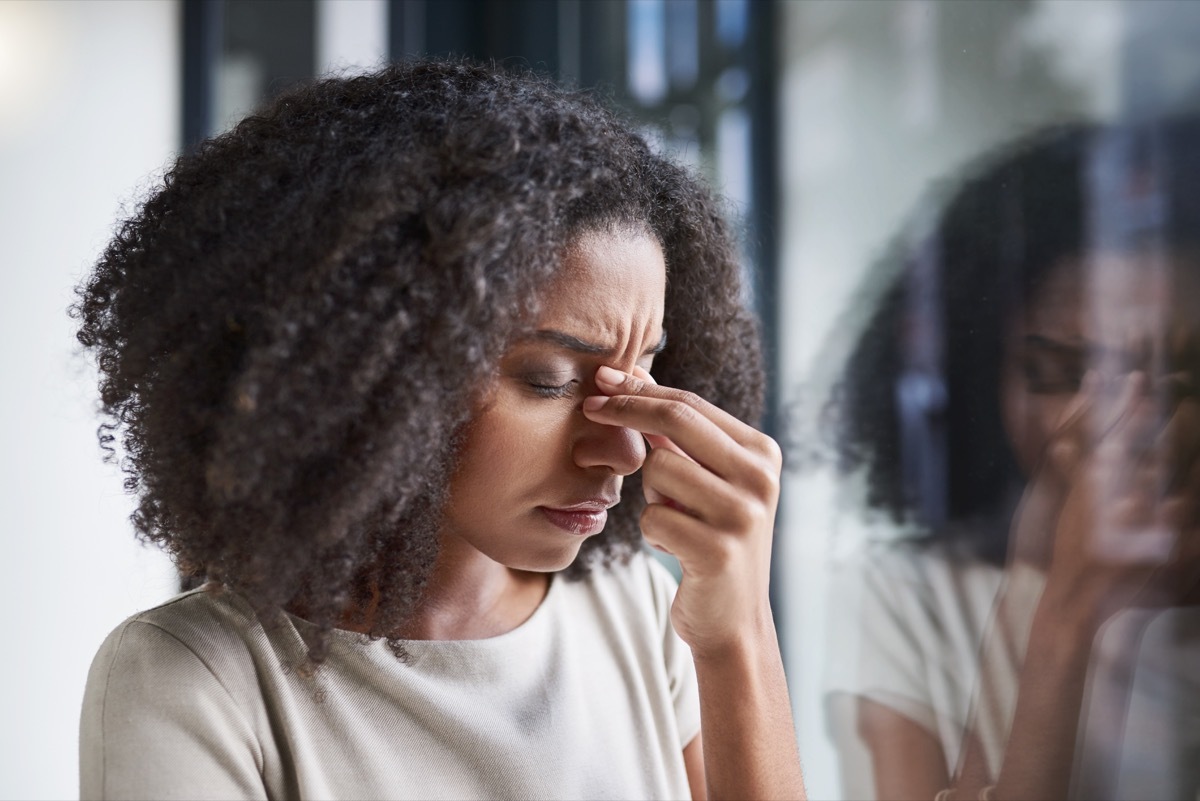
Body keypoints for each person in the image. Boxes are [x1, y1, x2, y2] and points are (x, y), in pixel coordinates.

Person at [73, 60, 805, 800]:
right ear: (370, 371)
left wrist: (738, 634)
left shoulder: (639, 610)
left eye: (644, 372)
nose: (624, 448)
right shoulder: (195, 680)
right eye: (550, 379)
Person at [824, 121, 1200, 800]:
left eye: (1179, 376)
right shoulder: (916, 595)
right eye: (1057, 371)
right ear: (980, 374)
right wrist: (1062, 609)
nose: (1120, 419)